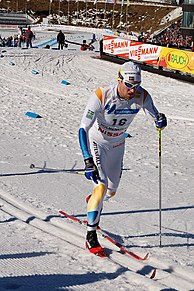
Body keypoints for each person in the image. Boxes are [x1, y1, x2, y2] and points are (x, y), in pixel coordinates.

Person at [78, 61, 167, 257]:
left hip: (117, 145)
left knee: (111, 191)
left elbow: (156, 118)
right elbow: (82, 128)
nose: (132, 90)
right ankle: (91, 235)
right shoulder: (102, 95)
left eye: (136, 85)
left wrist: (160, 121)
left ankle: (95, 200)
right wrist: (87, 159)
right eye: (129, 85)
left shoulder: (142, 95)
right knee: (100, 186)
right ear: (119, 80)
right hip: (97, 142)